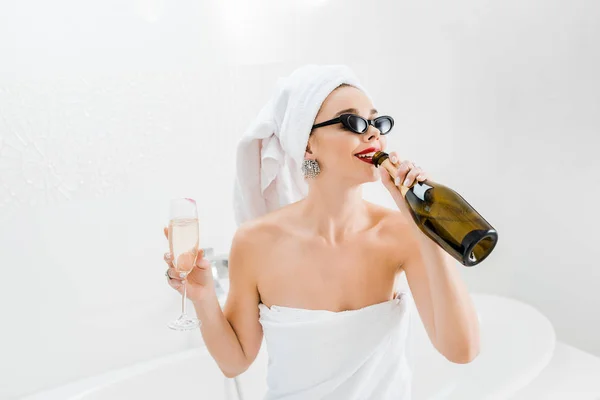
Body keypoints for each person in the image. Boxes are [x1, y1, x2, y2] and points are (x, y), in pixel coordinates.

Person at [163, 65, 480, 399]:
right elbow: (235, 363)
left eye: (377, 122)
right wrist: (201, 297)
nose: (373, 134)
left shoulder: (401, 235)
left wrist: (425, 228)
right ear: (308, 145)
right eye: (352, 122)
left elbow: (462, 351)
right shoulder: (256, 241)